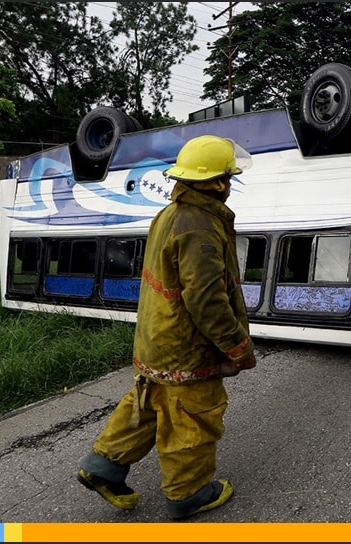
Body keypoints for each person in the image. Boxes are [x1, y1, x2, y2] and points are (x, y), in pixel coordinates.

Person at [77, 135, 257, 520]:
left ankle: (103, 467)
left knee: (149, 402)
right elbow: (206, 301)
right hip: (186, 347)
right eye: (228, 177)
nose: (230, 185)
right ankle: (188, 493)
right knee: (193, 417)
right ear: (219, 182)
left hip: (158, 339)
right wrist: (237, 346)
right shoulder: (200, 226)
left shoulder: (172, 212)